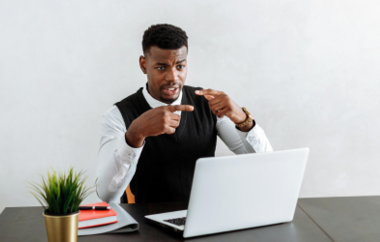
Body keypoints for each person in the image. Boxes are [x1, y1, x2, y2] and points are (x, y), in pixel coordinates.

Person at [95, 24, 273, 204]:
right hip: (145, 225)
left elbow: (266, 165)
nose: (173, 77)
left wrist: (244, 120)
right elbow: (107, 194)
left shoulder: (207, 103)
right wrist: (134, 135)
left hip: (204, 219)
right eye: (161, 67)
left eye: (180, 66)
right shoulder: (118, 115)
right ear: (144, 64)